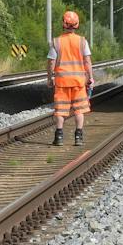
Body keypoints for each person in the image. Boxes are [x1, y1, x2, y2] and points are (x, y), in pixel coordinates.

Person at [48, 9, 93, 147]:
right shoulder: (82, 42)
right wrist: (90, 78)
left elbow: (51, 62)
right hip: (79, 82)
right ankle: (78, 137)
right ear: (77, 24)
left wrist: (50, 78)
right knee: (79, 110)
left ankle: (59, 137)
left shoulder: (56, 42)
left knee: (60, 110)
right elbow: (87, 61)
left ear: (64, 24)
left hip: (62, 82)